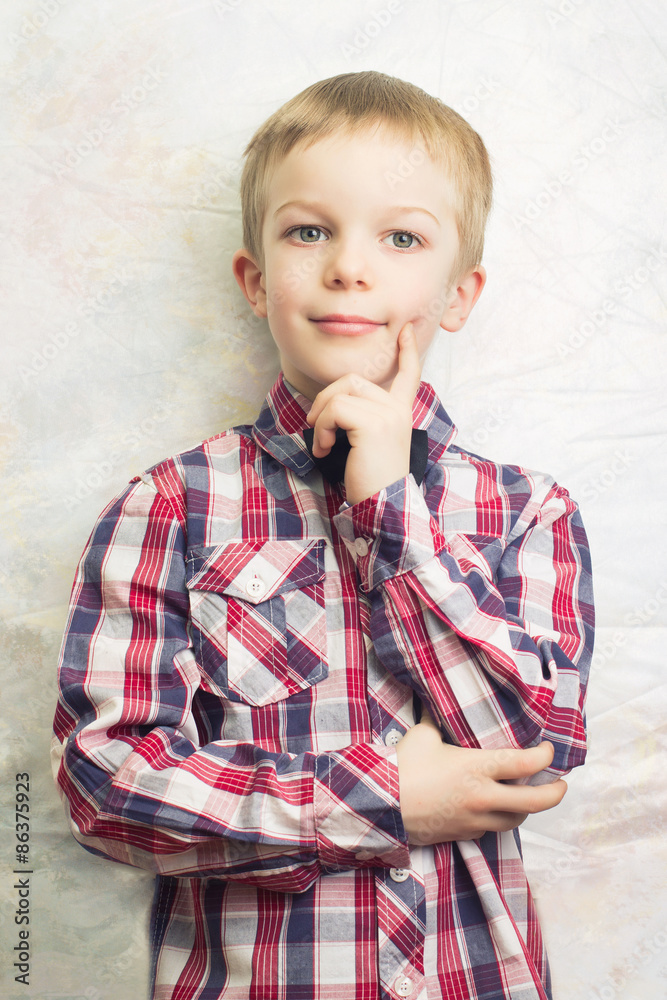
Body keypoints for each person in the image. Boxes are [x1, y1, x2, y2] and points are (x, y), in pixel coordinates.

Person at [52, 71, 594, 1000]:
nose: (349, 266)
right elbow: (107, 788)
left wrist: (386, 502)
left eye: (400, 237)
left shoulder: (528, 511)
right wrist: (381, 800)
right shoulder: (168, 507)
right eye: (309, 231)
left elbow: (531, 744)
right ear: (256, 281)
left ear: (457, 294)